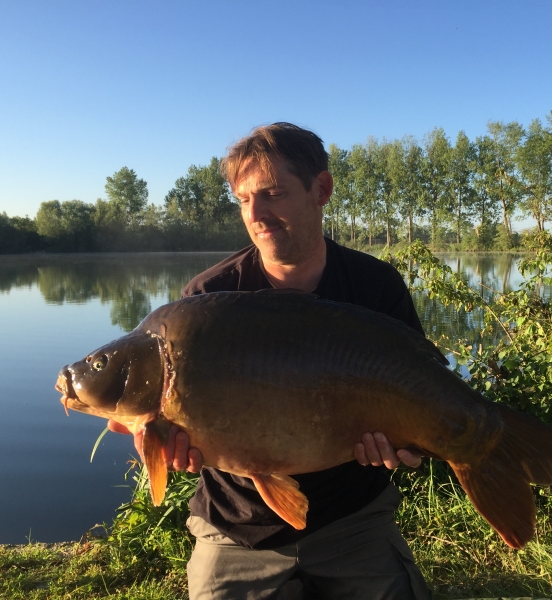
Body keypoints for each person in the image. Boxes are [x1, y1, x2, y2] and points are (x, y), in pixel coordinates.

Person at [109, 122, 432, 599]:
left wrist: (410, 445)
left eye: (273, 194)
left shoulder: (375, 287)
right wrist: (162, 443)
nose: (255, 214)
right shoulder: (204, 302)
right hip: (237, 525)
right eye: (243, 200)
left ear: (320, 189)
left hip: (353, 519)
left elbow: (419, 395)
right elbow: (176, 431)